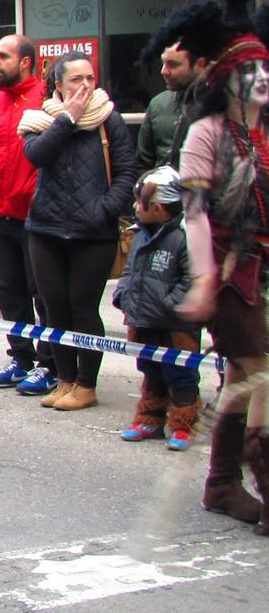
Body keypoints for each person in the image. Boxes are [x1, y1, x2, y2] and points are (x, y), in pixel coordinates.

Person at [148, 0, 269, 532]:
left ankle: (221, 483)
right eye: (250, 70)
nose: (261, 78)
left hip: (261, 267)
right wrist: (200, 281)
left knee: (245, 377)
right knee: (257, 373)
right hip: (227, 273)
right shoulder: (207, 133)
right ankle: (248, 480)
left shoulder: (264, 132)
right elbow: (194, 212)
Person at [19, 50, 137, 412]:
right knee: (54, 308)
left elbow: (127, 171)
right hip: (46, 228)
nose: (86, 86)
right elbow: (35, 155)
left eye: (90, 78)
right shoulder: (43, 119)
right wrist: (66, 119)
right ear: (59, 85)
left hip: (93, 232)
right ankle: (65, 379)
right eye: (76, 80)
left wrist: (104, 209)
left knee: (83, 308)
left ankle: (87, 385)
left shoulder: (108, 118)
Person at [0, 36, 58, 395]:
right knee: (9, 293)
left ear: (25, 62)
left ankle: (50, 364)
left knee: (43, 294)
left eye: (3, 56)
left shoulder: (48, 102)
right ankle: (19, 358)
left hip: (36, 219)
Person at [111, 166, 198, 451]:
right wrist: (122, 293)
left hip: (175, 325)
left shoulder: (184, 237)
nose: (135, 208)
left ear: (159, 208)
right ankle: (150, 418)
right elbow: (130, 271)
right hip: (144, 319)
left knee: (180, 375)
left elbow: (193, 278)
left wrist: (171, 303)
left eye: (140, 203)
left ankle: (183, 425)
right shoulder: (139, 234)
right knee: (151, 371)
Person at [138, 40, 205, 171]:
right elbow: (143, 162)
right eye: (163, 63)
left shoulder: (218, 107)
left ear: (200, 65)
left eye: (173, 65)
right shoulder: (158, 104)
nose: (164, 71)